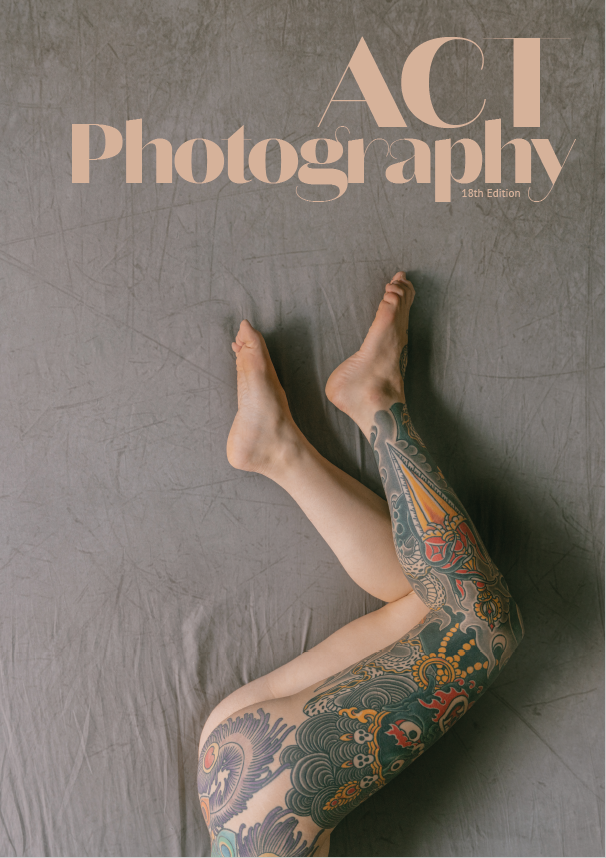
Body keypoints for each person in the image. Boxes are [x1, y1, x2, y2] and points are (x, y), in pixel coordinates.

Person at [197, 272, 524, 857]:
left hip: (268, 805)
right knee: (425, 594)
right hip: (237, 786)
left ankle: (376, 398)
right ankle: (279, 449)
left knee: (483, 625)